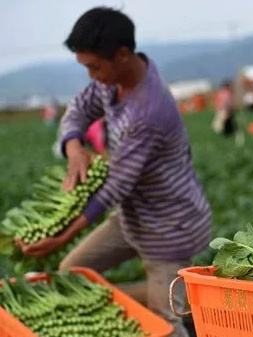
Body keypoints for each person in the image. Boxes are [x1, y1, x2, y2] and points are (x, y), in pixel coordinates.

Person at [18, 7, 212, 337]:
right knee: (73, 273)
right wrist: (74, 146)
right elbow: (78, 109)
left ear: (122, 55)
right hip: (133, 216)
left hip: (170, 225)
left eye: (94, 66)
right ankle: (165, 296)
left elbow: (116, 185)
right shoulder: (112, 82)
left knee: (167, 323)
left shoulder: (149, 111)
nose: (91, 75)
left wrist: (62, 237)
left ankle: (179, 300)